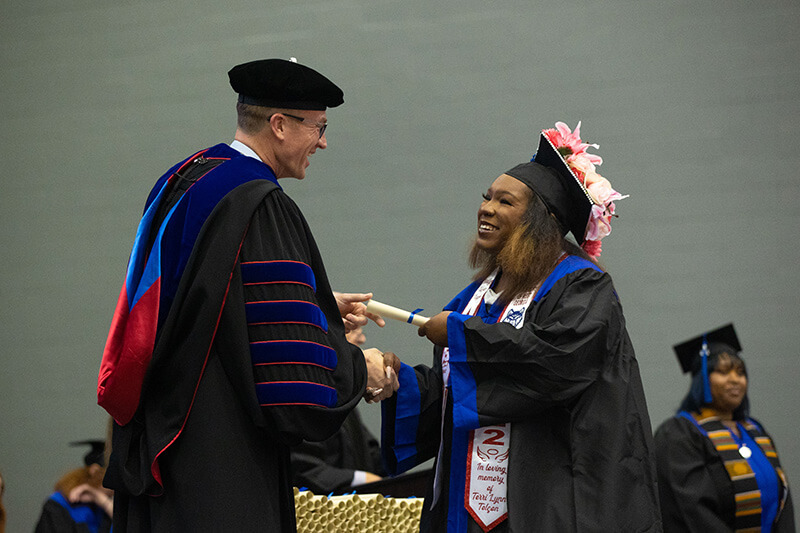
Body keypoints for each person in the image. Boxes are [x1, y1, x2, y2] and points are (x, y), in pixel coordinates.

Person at [96, 58, 395, 532]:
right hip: (222, 461)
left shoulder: (186, 179)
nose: (323, 141)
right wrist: (362, 369)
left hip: (166, 440)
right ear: (279, 125)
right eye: (318, 127)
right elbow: (288, 380)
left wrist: (316, 309)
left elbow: (213, 305)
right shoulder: (260, 202)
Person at [379, 122, 661, 531]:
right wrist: (397, 382)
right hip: (470, 506)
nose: (487, 208)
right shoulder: (478, 295)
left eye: (505, 202)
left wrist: (461, 335)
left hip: (548, 499)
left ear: (540, 221)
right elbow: (459, 391)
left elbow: (553, 365)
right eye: (487, 198)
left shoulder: (582, 286)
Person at [654, 324, 794, 532]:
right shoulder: (679, 433)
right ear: (702, 379)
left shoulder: (754, 430)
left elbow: (783, 504)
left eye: (740, 372)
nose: (735, 380)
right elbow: (693, 512)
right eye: (723, 372)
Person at [290, 327, 387, 494]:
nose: (362, 339)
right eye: (351, 328)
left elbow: (370, 454)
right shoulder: (301, 393)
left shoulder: (341, 397)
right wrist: (362, 479)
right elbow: (301, 466)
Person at [35, 440, 113, 533]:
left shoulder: (102, 506)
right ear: (94, 471)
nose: (115, 487)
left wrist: (101, 500)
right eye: (112, 477)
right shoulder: (58, 505)